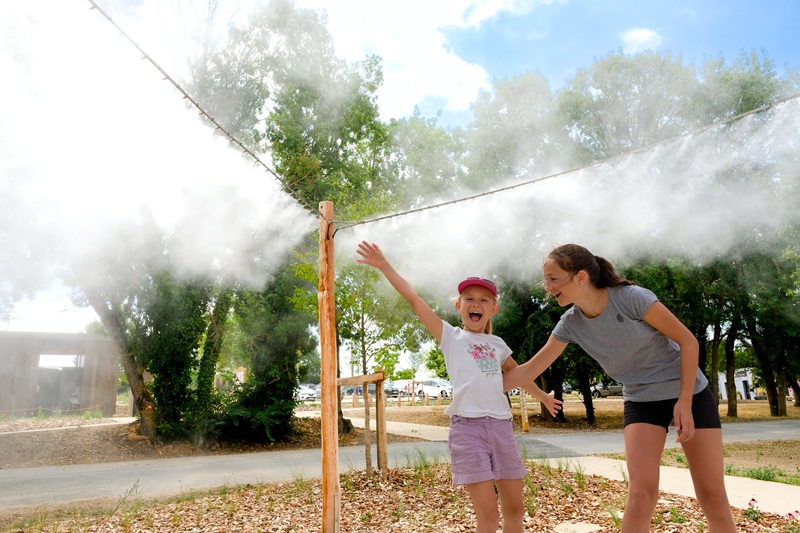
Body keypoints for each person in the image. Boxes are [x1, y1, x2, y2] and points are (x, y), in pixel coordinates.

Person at [503, 244, 736, 532]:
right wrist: (477, 386)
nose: (548, 288)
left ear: (580, 277)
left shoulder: (631, 299)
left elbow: (689, 342)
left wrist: (685, 401)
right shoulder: (571, 324)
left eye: (554, 279)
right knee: (640, 495)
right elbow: (529, 369)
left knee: (712, 496)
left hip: (690, 394)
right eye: (546, 280)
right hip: (641, 399)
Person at [356, 241, 562, 533]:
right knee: (488, 516)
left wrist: (542, 396)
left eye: (483, 300)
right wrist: (384, 265)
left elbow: (519, 374)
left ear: (493, 309)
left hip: (502, 428)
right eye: (468, 298)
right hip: (468, 430)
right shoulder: (450, 337)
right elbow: (414, 299)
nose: (475, 304)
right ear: (458, 305)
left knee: (516, 510)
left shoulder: (497, 345)